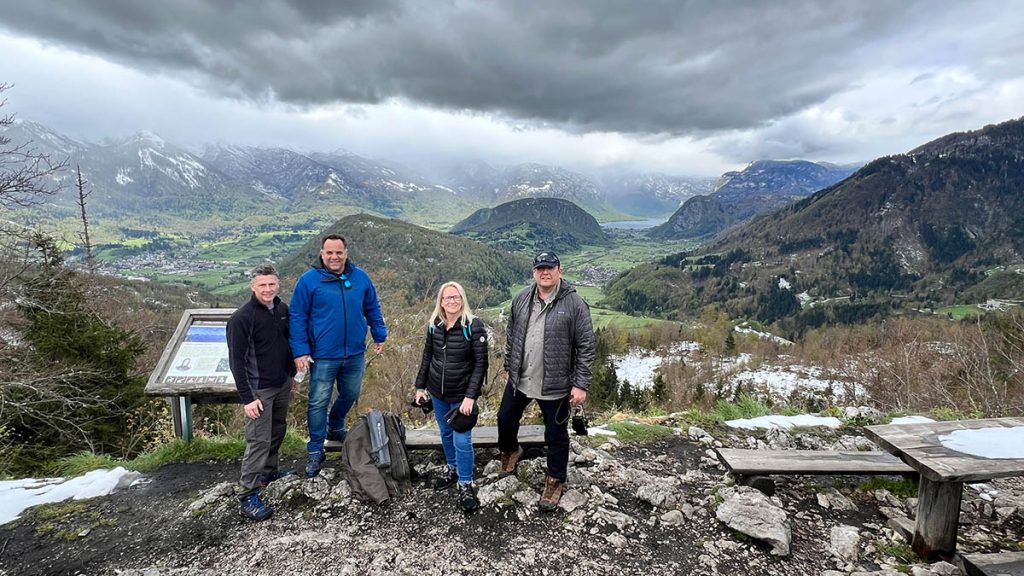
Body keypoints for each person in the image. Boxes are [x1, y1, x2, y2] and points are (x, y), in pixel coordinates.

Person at [496, 251, 595, 511]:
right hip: (521, 378)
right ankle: (511, 450)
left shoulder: (575, 304)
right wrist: (509, 367)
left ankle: (554, 480)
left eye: (549, 268)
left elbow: (586, 346)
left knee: (556, 435)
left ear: (559, 270)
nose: (545, 272)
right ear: (534, 272)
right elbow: (512, 337)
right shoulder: (520, 300)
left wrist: (580, 384)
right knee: (505, 418)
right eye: (540, 268)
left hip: (555, 383)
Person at [290, 234, 387, 478]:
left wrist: (379, 333)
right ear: (322, 254)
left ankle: (335, 426)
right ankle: (315, 449)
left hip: (354, 352)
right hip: (323, 355)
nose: (334, 257)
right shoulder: (309, 281)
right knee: (317, 401)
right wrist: (300, 350)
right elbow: (298, 316)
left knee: (351, 394)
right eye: (329, 252)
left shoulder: (360, 277)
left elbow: (372, 307)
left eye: (339, 252)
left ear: (346, 252)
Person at [227, 264, 297, 521]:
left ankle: (269, 471)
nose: (267, 289)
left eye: (271, 284)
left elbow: (286, 345)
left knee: (278, 429)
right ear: (253, 287)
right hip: (259, 389)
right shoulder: (242, 318)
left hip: (281, 384)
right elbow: (237, 361)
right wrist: (247, 398)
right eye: (262, 285)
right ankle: (247, 495)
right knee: (258, 440)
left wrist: (292, 375)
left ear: (277, 284)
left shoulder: (281, 309)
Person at [414, 281, 488, 512]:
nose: (452, 301)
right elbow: (427, 356)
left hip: (462, 394)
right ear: (441, 301)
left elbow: (481, 364)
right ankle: (452, 468)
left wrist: (470, 397)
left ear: (462, 299)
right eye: (447, 298)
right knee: (445, 432)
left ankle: (465, 483)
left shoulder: (473, 326)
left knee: (462, 439)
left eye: (456, 297)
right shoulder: (434, 324)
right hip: (437, 392)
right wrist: (420, 387)